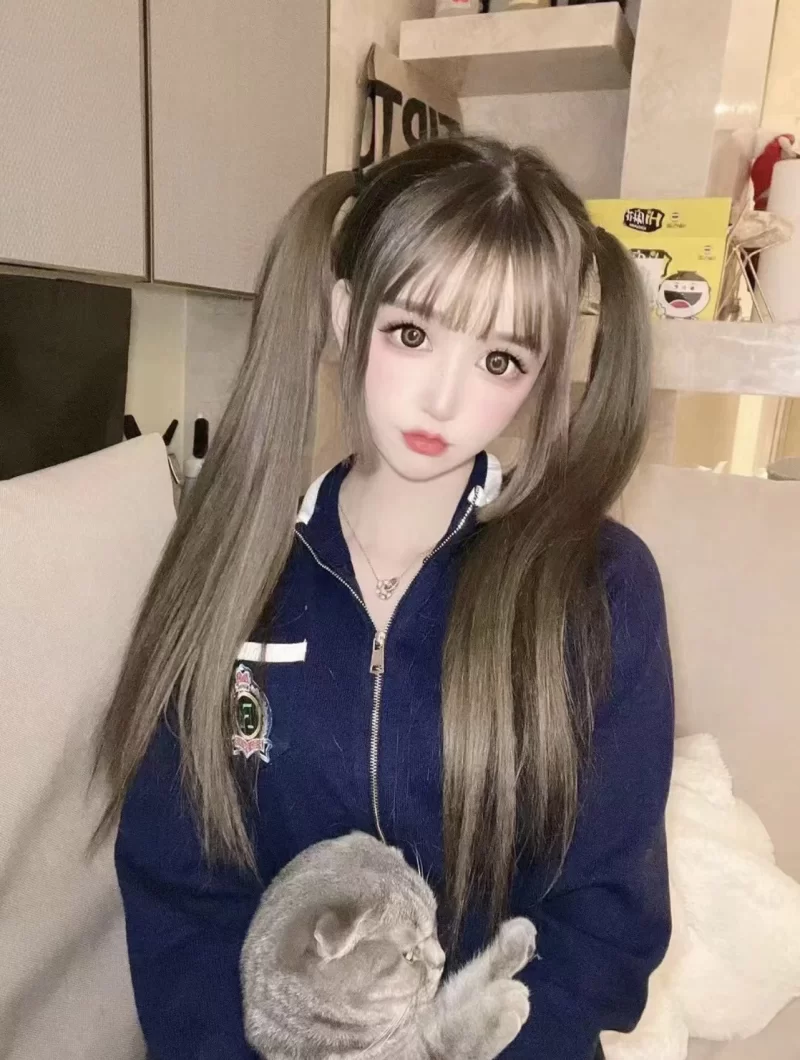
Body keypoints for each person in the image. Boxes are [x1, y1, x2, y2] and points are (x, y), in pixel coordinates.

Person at [96, 135, 674, 1060]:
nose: (444, 399)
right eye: (412, 333)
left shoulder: (599, 588)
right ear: (342, 315)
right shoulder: (233, 569)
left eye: (500, 360)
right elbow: (182, 887)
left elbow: (604, 929)